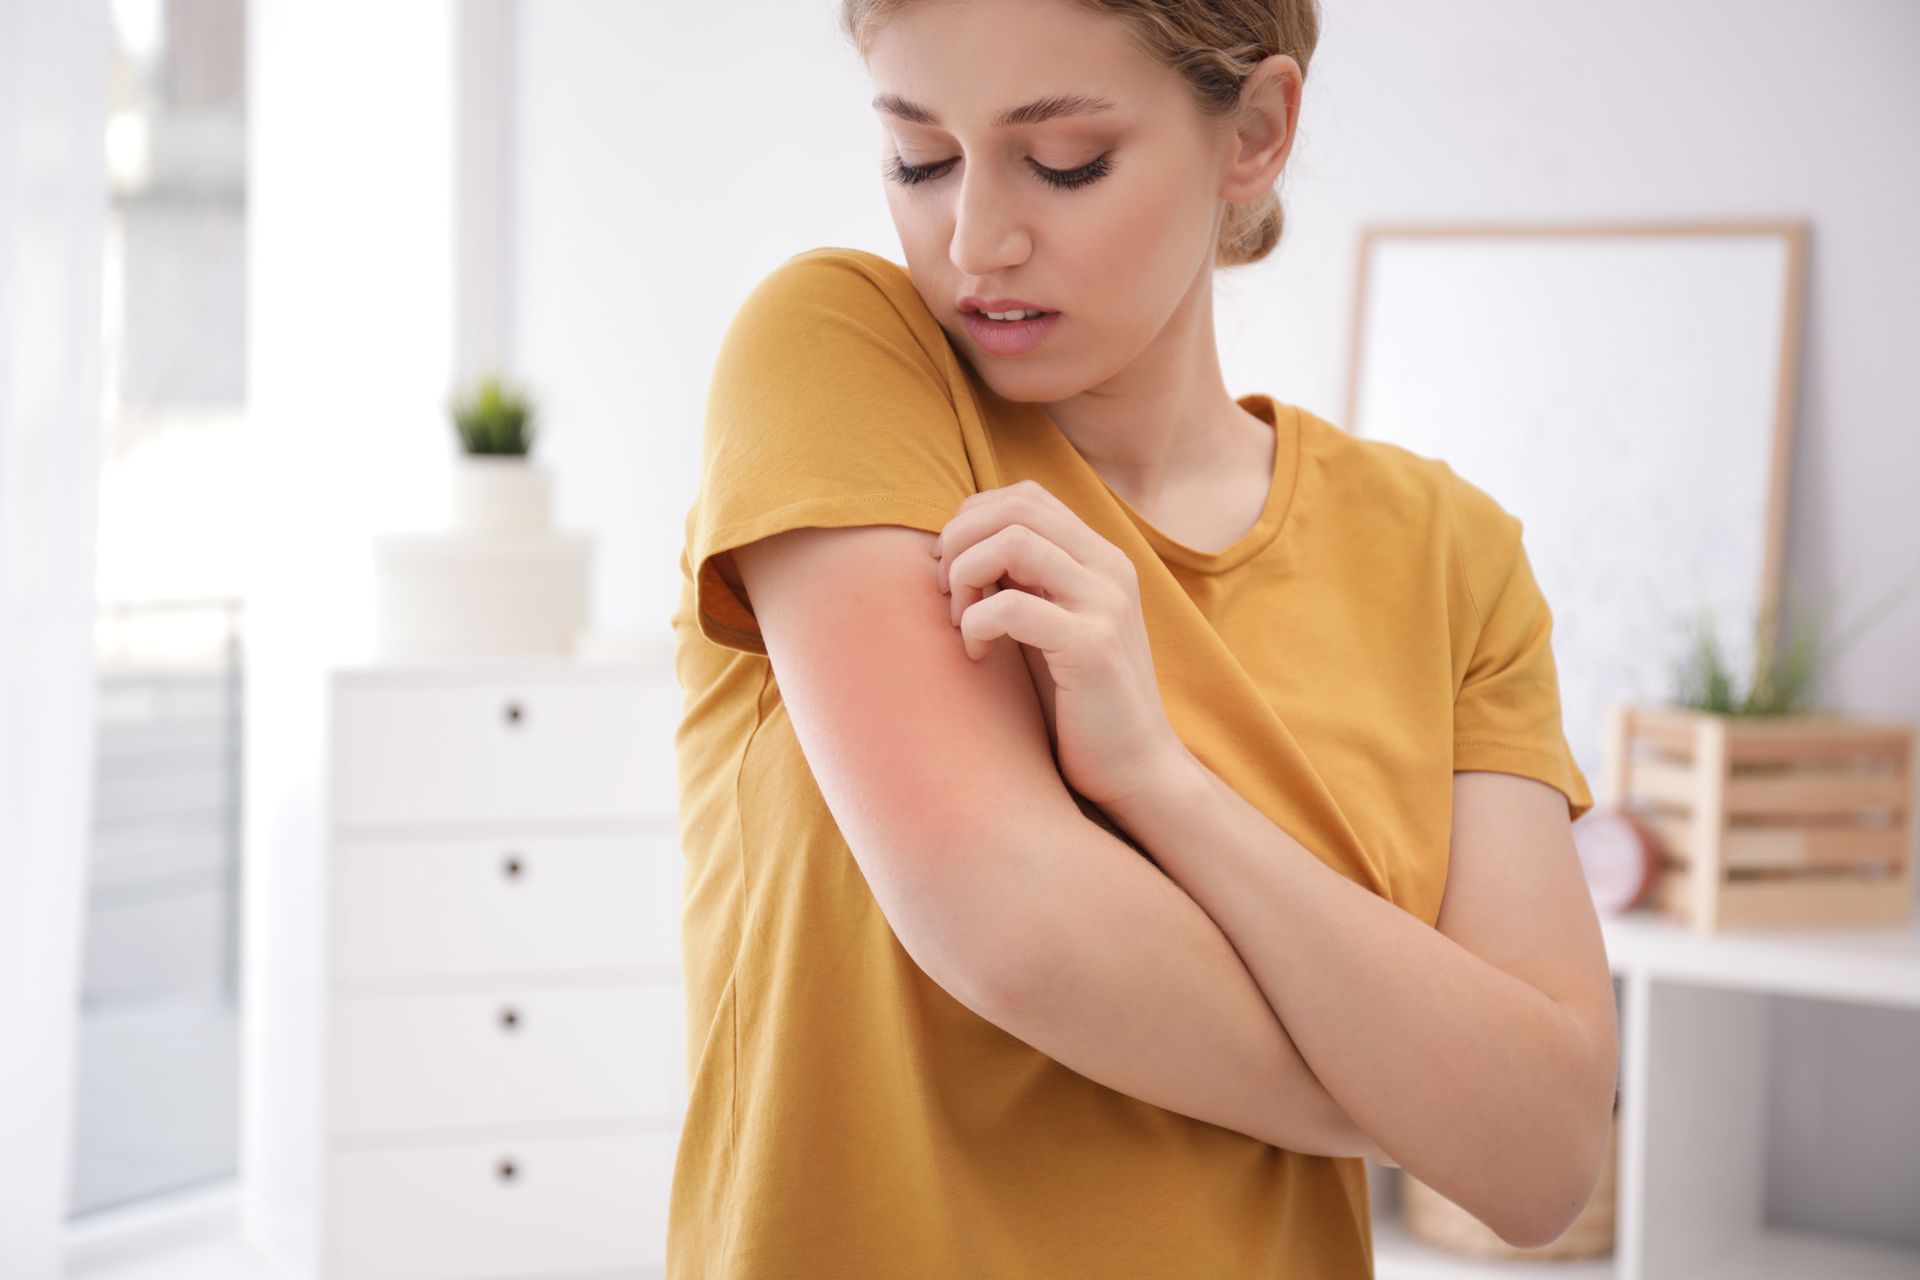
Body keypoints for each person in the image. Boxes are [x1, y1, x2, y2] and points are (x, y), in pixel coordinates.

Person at [667, 0, 1618, 1275]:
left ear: (1257, 132)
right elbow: (1015, 930)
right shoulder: (840, 356)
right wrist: (1433, 1092)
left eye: (1064, 162)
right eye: (920, 158)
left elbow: (1549, 1159)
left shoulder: (1449, 555)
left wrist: (1158, 781)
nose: (974, 239)